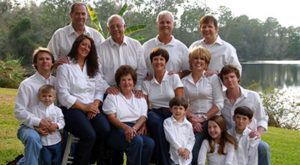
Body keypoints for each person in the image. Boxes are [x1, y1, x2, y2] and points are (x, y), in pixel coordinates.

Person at [56, 34, 110, 165]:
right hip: (72, 109)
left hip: (91, 107)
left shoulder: (92, 67)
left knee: (104, 129)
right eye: (83, 44)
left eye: (89, 46)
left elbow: (100, 88)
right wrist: (85, 107)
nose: (86, 48)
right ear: (76, 45)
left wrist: (95, 105)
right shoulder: (65, 66)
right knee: (89, 135)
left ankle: (90, 160)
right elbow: (63, 95)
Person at [102, 65, 154, 165]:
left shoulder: (140, 97)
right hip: (117, 129)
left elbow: (143, 117)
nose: (127, 83)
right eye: (123, 80)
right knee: (137, 141)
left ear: (134, 81)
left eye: (129, 79)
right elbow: (111, 117)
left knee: (150, 143)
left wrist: (133, 129)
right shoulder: (112, 96)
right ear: (119, 82)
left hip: (135, 128)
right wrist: (126, 128)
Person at [219, 65, 270, 165]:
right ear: (223, 82)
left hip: (248, 136)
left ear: (238, 78)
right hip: (230, 137)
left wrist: (258, 133)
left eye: (232, 77)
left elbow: (262, 118)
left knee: (263, 147)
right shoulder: (220, 99)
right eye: (226, 78)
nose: (229, 80)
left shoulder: (252, 96)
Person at [181, 46, 224, 164]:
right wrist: (192, 119)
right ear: (190, 61)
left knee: (195, 145)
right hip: (191, 119)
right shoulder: (184, 81)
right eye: (195, 58)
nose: (198, 61)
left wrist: (203, 118)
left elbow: (219, 103)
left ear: (206, 63)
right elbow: (182, 105)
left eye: (202, 59)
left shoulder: (212, 78)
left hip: (211, 119)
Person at [142, 48, 184, 165]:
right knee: (157, 124)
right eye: (155, 59)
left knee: (168, 126)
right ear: (152, 62)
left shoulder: (173, 77)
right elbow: (144, 106)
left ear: (166, 62)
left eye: (162, 59)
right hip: (154, 113)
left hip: (172, 112)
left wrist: (177, 117)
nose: (158, 62)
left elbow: (180, 101)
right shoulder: (146, 82)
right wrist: (143, 123)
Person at [14, 47, 56, 165]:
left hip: (52, 127)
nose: (45, 61)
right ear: (35, 63)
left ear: (52, 62)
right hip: (28, 127)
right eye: (41, 59)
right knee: (33, 139)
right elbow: (18, 111)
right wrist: (37, 123)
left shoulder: (57, 82)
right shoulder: (27, 84)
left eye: (48, 59)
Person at [98, 14, 147, 93]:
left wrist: (137, 87)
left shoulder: (135, 45)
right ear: (108, 29)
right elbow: (98, 73)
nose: (115, 29)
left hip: (132, 90)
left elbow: (142, 70)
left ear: (124, 27)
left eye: (118, 26)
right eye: (112, 27)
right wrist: (106, 88)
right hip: (110, 91)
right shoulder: (101, 48)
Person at [143, 10, 189, 78]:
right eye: (162, 22)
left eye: (168, 22)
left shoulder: (182, 48)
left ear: (173, 24)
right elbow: (140, 69)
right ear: (157, 24)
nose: (165, 25)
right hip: (151, 87)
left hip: (173, 87)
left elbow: (188, 70)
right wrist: (146, 76)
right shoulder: (146, 46)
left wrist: (178, 75)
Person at [32, 85, 65, 165]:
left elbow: (62, 121)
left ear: (54, 98)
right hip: (43, 143)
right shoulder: (35, 109)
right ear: (39, 97)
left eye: (50, 96)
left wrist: (56, 126)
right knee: (46, 161)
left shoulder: (57, 110)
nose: (47, 98)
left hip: (56, 141)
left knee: (57, 161)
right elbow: (32, 122)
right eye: (44, 96)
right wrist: (37, 129)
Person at [163, 97, 195, 165]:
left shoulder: (188, 125)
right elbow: (170, 137)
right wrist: (179, 148)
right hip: (175, 156)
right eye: (175, 108)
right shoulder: (168, 122)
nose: (178, 111)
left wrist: (188, 150)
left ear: (185, 111)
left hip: (187, 158)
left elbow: (191, 139)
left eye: (181, 108)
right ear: (171, 109)